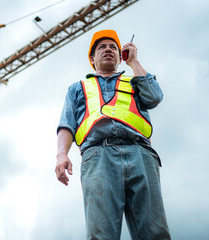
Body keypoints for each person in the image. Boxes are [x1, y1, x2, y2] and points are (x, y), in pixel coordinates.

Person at [55, 29, 171, 240]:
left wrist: (134, 62)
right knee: (101, 233)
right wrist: (61, 154)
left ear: (120, 56)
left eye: (113, 48)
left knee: (155, 233)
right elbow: (66, 124)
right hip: (98, 156)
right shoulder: (77, 88)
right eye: (102, 47)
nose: (108, 50)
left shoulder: (135, 81)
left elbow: (154, 97)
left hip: (141, 154)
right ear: (92, 58)